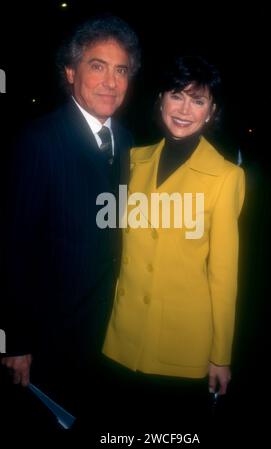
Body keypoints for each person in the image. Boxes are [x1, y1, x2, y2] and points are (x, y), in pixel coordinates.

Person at [1, 14, 140, 431]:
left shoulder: (130, 143)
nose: (110, 82)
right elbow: (12, 247)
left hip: (109, 336)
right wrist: (15, 341)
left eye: (121, 70)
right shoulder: (39, 141)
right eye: (98, 66)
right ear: (70, 72)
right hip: (50, 339)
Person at [102, 55, 245, 434]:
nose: (184, 109)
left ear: (212, 111)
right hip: (121, 337)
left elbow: (224, 275)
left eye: (198, 101)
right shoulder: (133, 160)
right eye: (177, 96)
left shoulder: (226, 177)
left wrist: (221, 356)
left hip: (182, 346)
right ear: (161, 100)